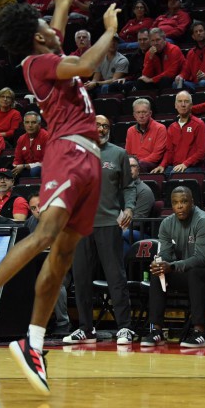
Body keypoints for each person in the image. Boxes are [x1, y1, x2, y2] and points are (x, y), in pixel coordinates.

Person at [0, 0, 122, 395]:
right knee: (46, 231)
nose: (55, 25)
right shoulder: (39, 63)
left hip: (91, 158)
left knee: (65, 251)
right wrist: (109, 30)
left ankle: (32, 340)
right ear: (36, 37)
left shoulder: (48, 47)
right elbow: (89, 65)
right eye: (46, 27)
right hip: (67, 150)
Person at [64, 115, 136, 346]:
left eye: (106, 125)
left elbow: (129, 186)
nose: (102, 128)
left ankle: (125, 327)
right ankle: (85, 328)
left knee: (116, 277)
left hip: (108, 224)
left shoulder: (118, 154)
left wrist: (129, 209)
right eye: (98, 125)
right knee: (81, 278)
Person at [141, 186, 205, 348]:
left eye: (184, 202)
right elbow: (166, 254)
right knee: (157, 274)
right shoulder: (167, 224)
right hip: (183, 268)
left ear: (192, 203)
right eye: (175, 203)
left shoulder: (203, 221)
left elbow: (201, 259)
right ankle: (156, 330)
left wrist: (173, 266)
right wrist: (160, 263)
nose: (180, 206)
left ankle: (200, 331)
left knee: (195, 273)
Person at [152, 91, 205, 176]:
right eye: (180, 101)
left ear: (191, 105)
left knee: (174, 174)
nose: (183, 104)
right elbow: (169, 152)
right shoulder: (171, 127)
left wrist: (185, 164)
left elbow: (201, 153)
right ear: (175, 105)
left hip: (193, 167)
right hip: (176, 166)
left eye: (186, 101)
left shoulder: (199, 124)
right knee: (158, 175)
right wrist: (162, 165)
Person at [124, 98, 167, 172]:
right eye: (138, 112)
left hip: (151, 164)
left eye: (144, 112)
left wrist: (137, 163)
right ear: (134, 115)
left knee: (140, 165)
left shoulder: (160, 128)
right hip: (134, 164)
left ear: (150, 113)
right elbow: (128, 153)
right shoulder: (130, 130)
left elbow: (157, 156)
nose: (141, 115)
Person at [12, 111, 47, 179]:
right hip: (25, 168)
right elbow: (17, 159)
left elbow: (47, 162)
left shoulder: (46, 137)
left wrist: (26, 166)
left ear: (39, 124)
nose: (30, 125)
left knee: (35, 170)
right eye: (27, 122)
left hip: (44, 169)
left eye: (33, 122)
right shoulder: (21, 139)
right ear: (24, 124)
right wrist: (15, 166)